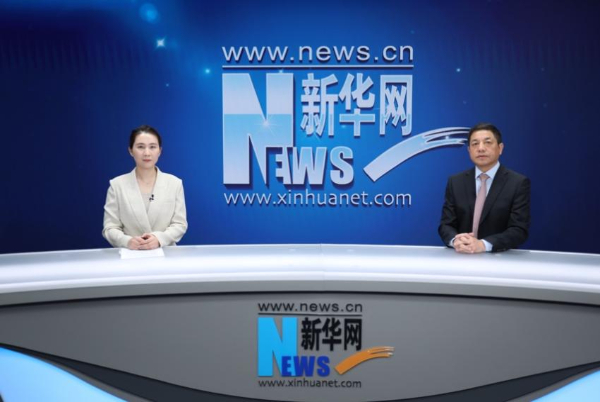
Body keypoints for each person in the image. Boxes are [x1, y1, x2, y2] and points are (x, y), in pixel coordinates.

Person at [438, 123, 530, 253]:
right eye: (475, 144)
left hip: (500, 259)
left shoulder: (517, 183)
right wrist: (455, 241)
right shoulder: (456, 182)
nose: (481, 148)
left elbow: (519, 230)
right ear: (469, 150)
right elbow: (446, 225)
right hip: (462, 257)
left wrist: (483, 245)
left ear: (500, 148)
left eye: (487, 142)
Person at [103, 125, 188, 250]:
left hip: (166, 254)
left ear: (160, 151)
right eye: (140, 147)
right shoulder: (117, 185)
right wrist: (127, 241)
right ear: (131, 150)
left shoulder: (174, 184)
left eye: (152, 147)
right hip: (131, 254)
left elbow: (180, 224)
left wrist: (159, 239)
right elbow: (110, 228)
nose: (147, 153)